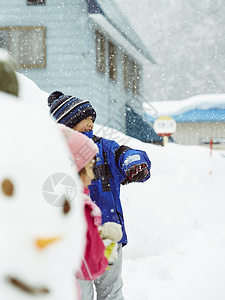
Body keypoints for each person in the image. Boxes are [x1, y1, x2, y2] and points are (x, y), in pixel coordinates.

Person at [50, 92, 151, 300]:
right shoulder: (56, 155)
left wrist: (134, 163)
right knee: (79, 294)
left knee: (111, 290)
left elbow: (125, 154)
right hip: (74, 242)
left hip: (108, 237)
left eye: (91, 120)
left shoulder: (104, 149)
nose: (89, 124)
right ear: (68, 125)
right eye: (83, 120)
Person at [58, 124, 123, 299]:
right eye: (89, 168)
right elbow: (90, 266)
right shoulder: (81, 207)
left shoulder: (53, 201)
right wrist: (108, 244)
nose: (93, 176)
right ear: (76, 169)